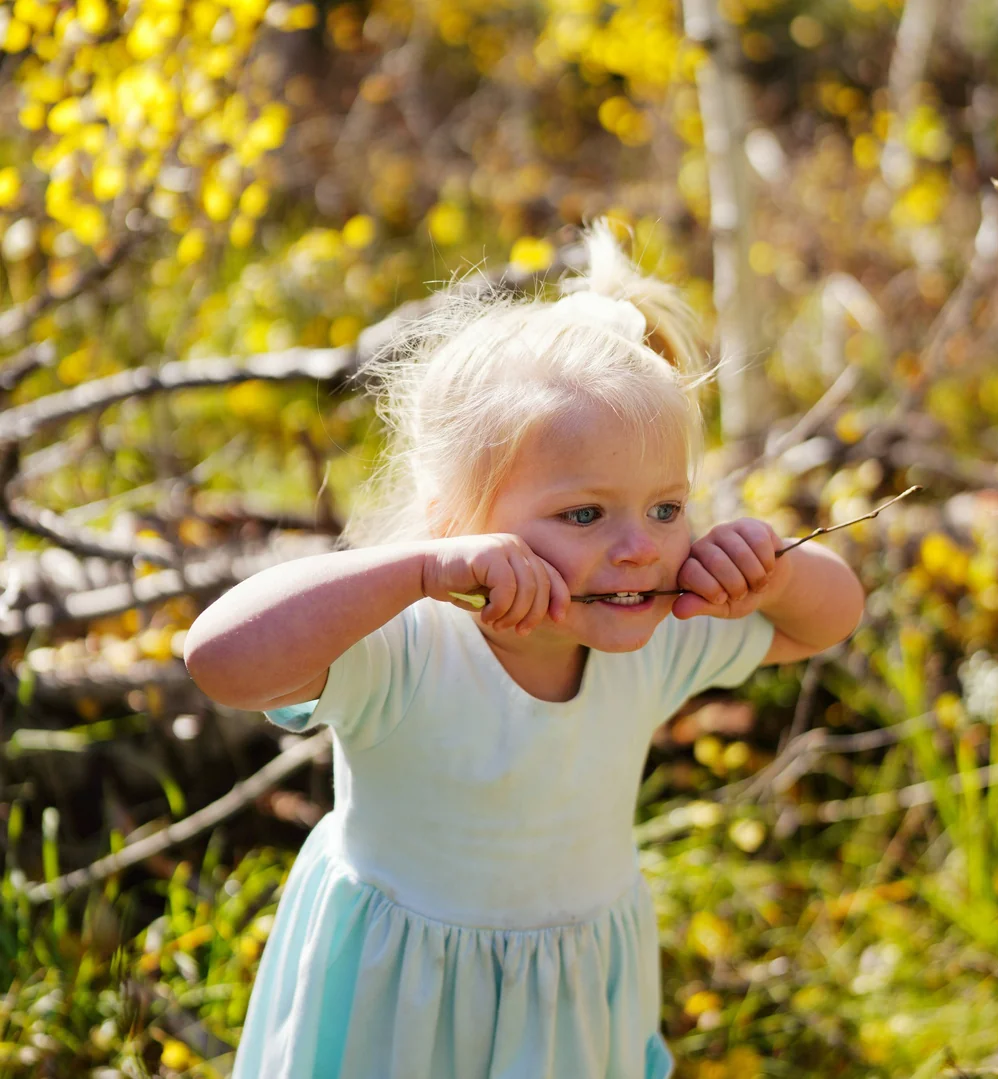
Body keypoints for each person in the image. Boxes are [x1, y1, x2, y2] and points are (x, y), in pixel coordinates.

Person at [183, 219, 865, 1079]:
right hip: (395, 1007)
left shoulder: (655, 635)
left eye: (665, 508)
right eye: (584, 514)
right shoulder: (407, 648)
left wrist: (775, 573)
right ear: (453, 524)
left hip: (571, 1010)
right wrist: (415, 571)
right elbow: (219, 657)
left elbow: (829, 618)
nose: (640, 549)